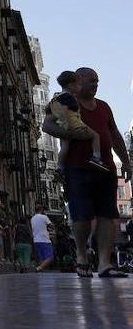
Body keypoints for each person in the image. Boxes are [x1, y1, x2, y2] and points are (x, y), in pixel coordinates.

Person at [42, 67, 132, 278]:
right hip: (77, 168)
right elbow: (46, 126)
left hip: (105, 167)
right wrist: (72, 133)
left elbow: (116, 135)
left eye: (97, 81)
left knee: (107, 215)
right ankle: (81, 255)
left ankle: (104, 263)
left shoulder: (103, 107)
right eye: (91, 80)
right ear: (78, 81)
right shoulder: (65, 101)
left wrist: (127, 163)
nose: (96, 84)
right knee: (81, 216)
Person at [50, 71, 106, 171]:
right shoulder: (69, 97)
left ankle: (60, 167)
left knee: (64, 147)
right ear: (71, 85)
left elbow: (51, 109)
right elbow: (73, 108)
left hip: (63, 125)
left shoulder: (56, 98)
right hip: (74, 124)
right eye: (78, 84)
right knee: (95, 136)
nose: (80, 87)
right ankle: (96, 158)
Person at [31, 204, 55, 272]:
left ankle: (41, 271)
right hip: (44, 240)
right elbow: (51, 226)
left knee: (41, 258)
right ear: (41, 210)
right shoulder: (44, 217)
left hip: (36, 240)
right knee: (50, 257)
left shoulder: (32, 218)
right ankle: (38, 268)